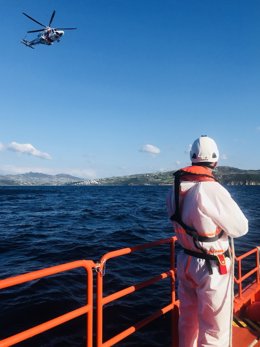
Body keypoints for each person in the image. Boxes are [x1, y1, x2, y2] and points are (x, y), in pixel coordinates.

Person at [166, 135, 248, 347]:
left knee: (188, 322)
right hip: (212, 268)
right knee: (215, 329)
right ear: (215, 161)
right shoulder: (212, 189)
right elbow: (240, 228)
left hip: (185, 262)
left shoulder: (174, 190)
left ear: (192, 159)